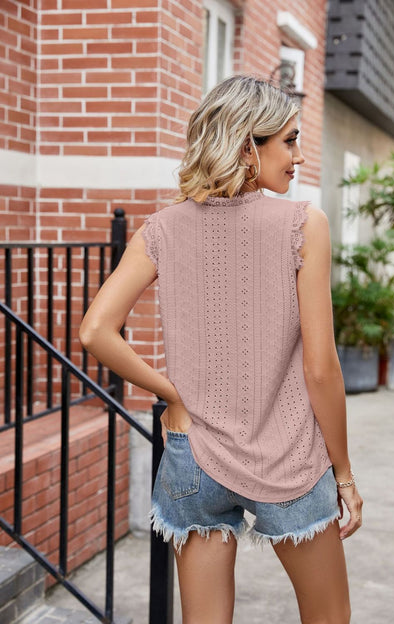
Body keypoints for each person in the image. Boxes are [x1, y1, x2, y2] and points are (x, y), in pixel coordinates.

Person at [80, 75, 363, 624]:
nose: (300, 156)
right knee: (330, 618)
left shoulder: (160, 229)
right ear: (247, 147)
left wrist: (171, 395)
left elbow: (95, 331)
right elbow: (321, 370)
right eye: (289, 141)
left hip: (193, 453)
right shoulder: (304, 225)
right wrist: (344, 474)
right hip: (288, 457)